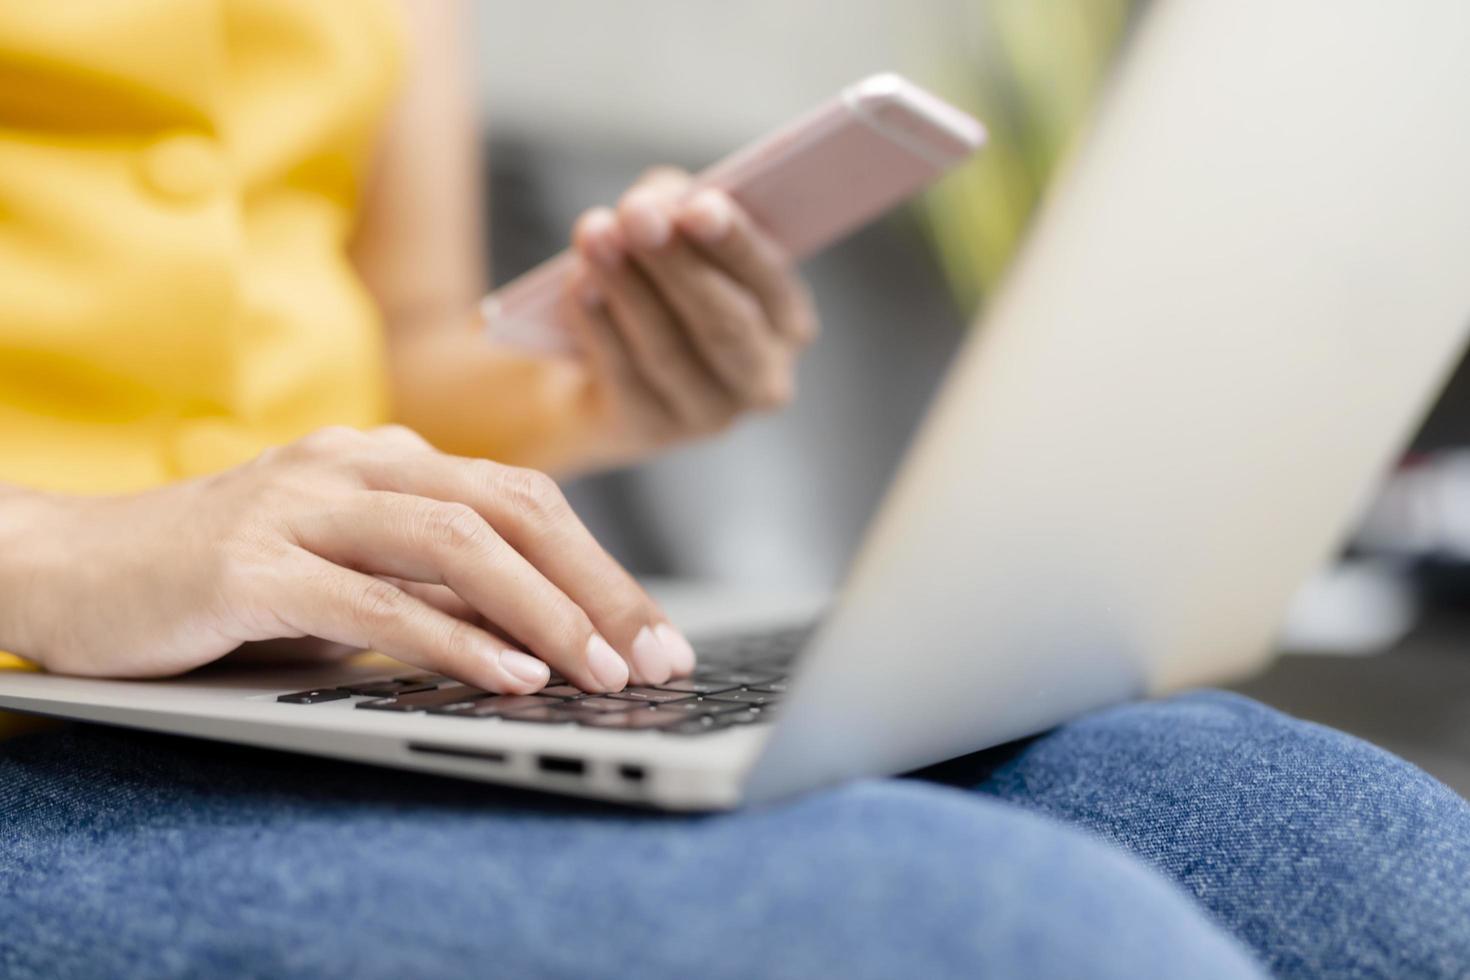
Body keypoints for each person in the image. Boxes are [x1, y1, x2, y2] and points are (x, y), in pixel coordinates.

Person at [1, 3, 1467, 977]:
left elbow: (392, 348)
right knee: (1002, 939)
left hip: (336, 666)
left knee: (1362, 854)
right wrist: (58, 549)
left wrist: (595, 382)